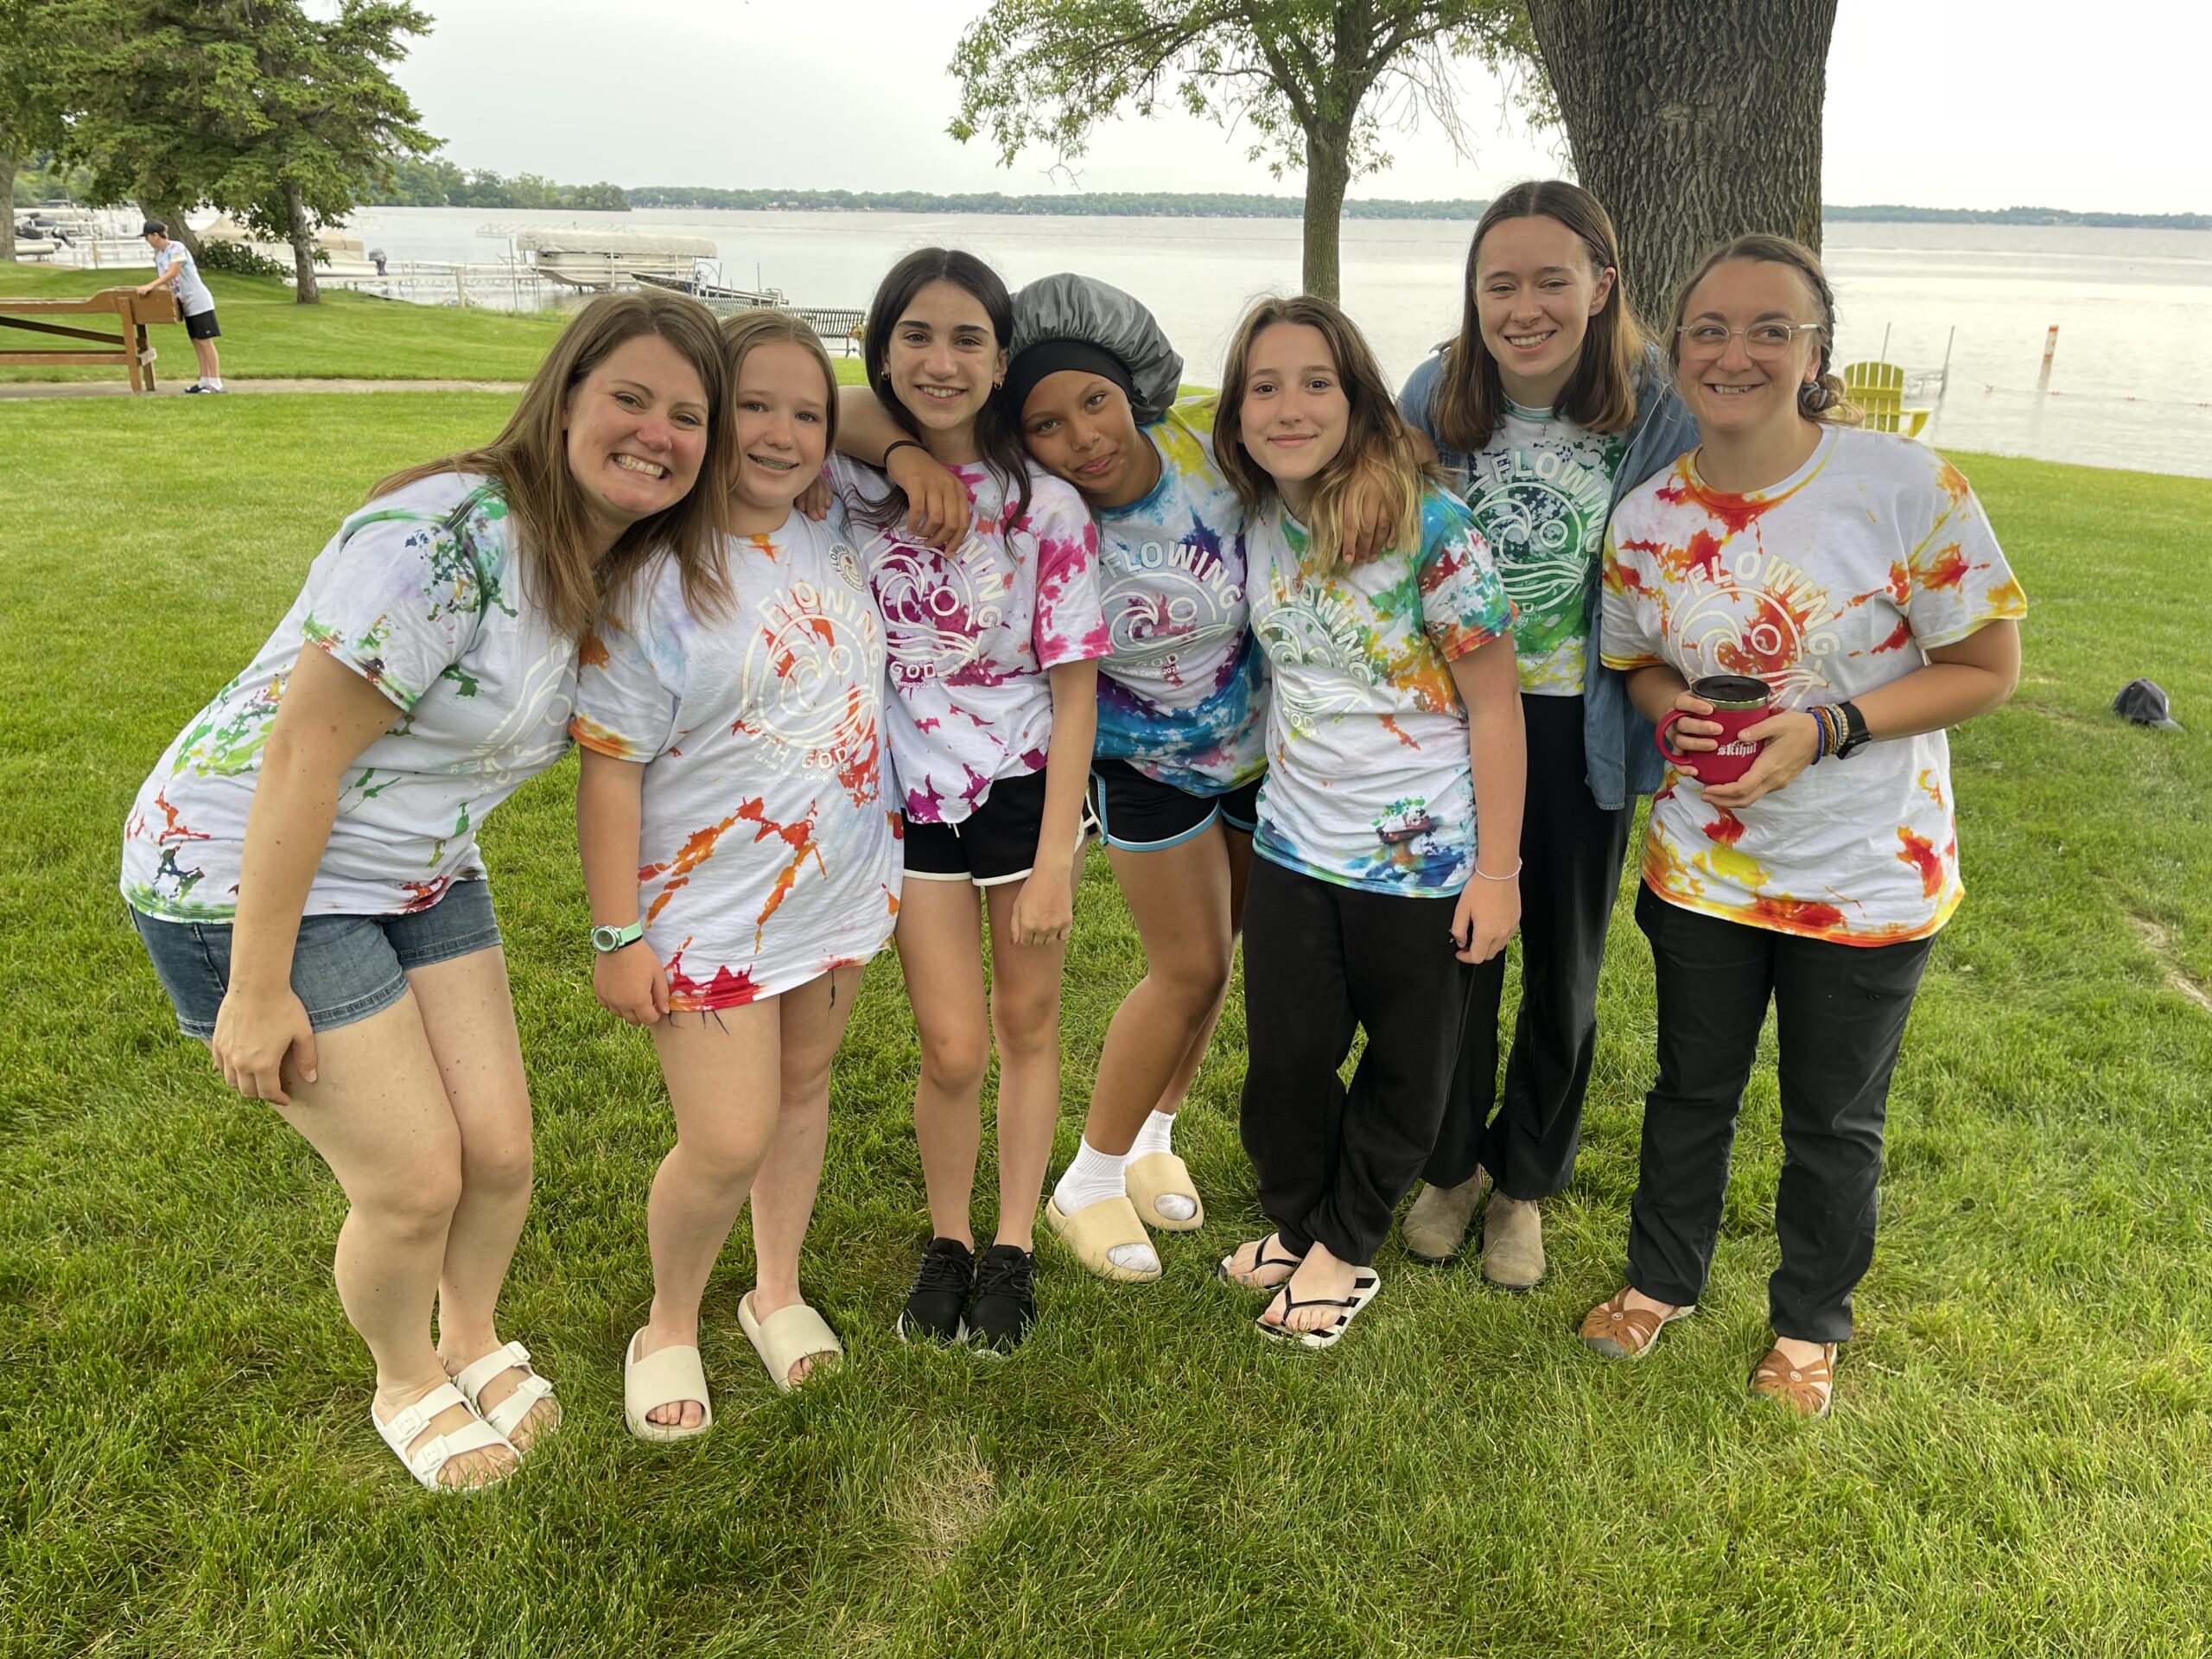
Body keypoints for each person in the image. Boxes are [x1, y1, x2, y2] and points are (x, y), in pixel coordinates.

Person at [119, 290, 734, 1488]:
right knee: (412, 1179)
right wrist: (255, 988)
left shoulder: (615, 561)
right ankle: (405, 1377)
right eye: (630, 398)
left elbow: (816, 428)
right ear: (563, 398)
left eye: (687, 416)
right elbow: (301, 754)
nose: (657, 433)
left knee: (500, 1153)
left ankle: (471, 1335)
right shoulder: (446, 535)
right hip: (236, 866)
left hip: (420, 866)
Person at [1582, 233, 2024, 1415]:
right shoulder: (1645, 519)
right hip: (1705, 868)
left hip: (1869, 875)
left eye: (1771, 328)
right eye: (1712, 329)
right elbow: (1637, 665)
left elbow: (1987, 666)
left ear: (1816, 350)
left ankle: (1808, 1325)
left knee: (1832, 1118)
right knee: (1690, 1090)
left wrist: (1825, 730)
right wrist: (1677, 720)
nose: (1737, 352)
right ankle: (1661, 1282)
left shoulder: (1904, 487)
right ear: (1676, 353)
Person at [575, 311, 901, 1436]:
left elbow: (885, 413)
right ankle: (668, 1323)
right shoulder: (655, 576)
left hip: (838, 889)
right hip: (706, 914)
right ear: (710, 419)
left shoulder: (828, 524)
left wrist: (872, 442)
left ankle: (774, 1289)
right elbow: (609, 775)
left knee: (803, 1095)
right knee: (725, 1137)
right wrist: (619, 938)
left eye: (805, 413)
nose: (781, 433)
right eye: (750, 407)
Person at [1394, 181, 1700, 1289]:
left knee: (1562, 971)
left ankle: (1523, 1183)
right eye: (1498, 283)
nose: (1523, 307)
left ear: (1601, 286)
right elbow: (1377, 526)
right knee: (1454, 957)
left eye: (1550, 281)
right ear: (1473, 296)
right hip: (1453, 719)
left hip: (1585, 727)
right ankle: (1449, 1168)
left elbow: (1708, 517)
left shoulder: (1654, 395)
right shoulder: (1435, 389)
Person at [1214, 295, 1525, 1348]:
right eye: (1264, 385)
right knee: (1286, 1064)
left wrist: (1498, 871)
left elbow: (1494, 706)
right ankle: (1301, 1224)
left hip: (1422, 862)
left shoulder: (1432, 531)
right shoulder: (1256, 519)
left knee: (1407, 1069)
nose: (1288, 407)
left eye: (1316, 383)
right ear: (1238, 408)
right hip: (1295, 844)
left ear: (1356, 399)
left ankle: (1344, 1251)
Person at [830, 249, 1109, 1352]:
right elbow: (793, 395)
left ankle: (1012, 1247)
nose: (940, 362)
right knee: (948, 1048)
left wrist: (1056, 860)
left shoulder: (1046, 505)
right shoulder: (849, 481)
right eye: (917, 336)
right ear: (884, 346)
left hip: (1021, 794)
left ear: (1001, 361)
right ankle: (946, 1238)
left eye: (967, 341)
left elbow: (1076, 693)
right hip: (904, 805)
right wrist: (898, 449)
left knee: (1025, 1024)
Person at [137, 220, 224, 394]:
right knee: (196, 342)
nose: (147, 241)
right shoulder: (159, 256)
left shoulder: (177, 248)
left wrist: (149, 286)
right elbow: (165, 282)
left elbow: (174, 271)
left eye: (147, 237)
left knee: (205, 342)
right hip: (185, 302)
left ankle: (216, 383)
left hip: (198, 300)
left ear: (155, 235)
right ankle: (204, 380)